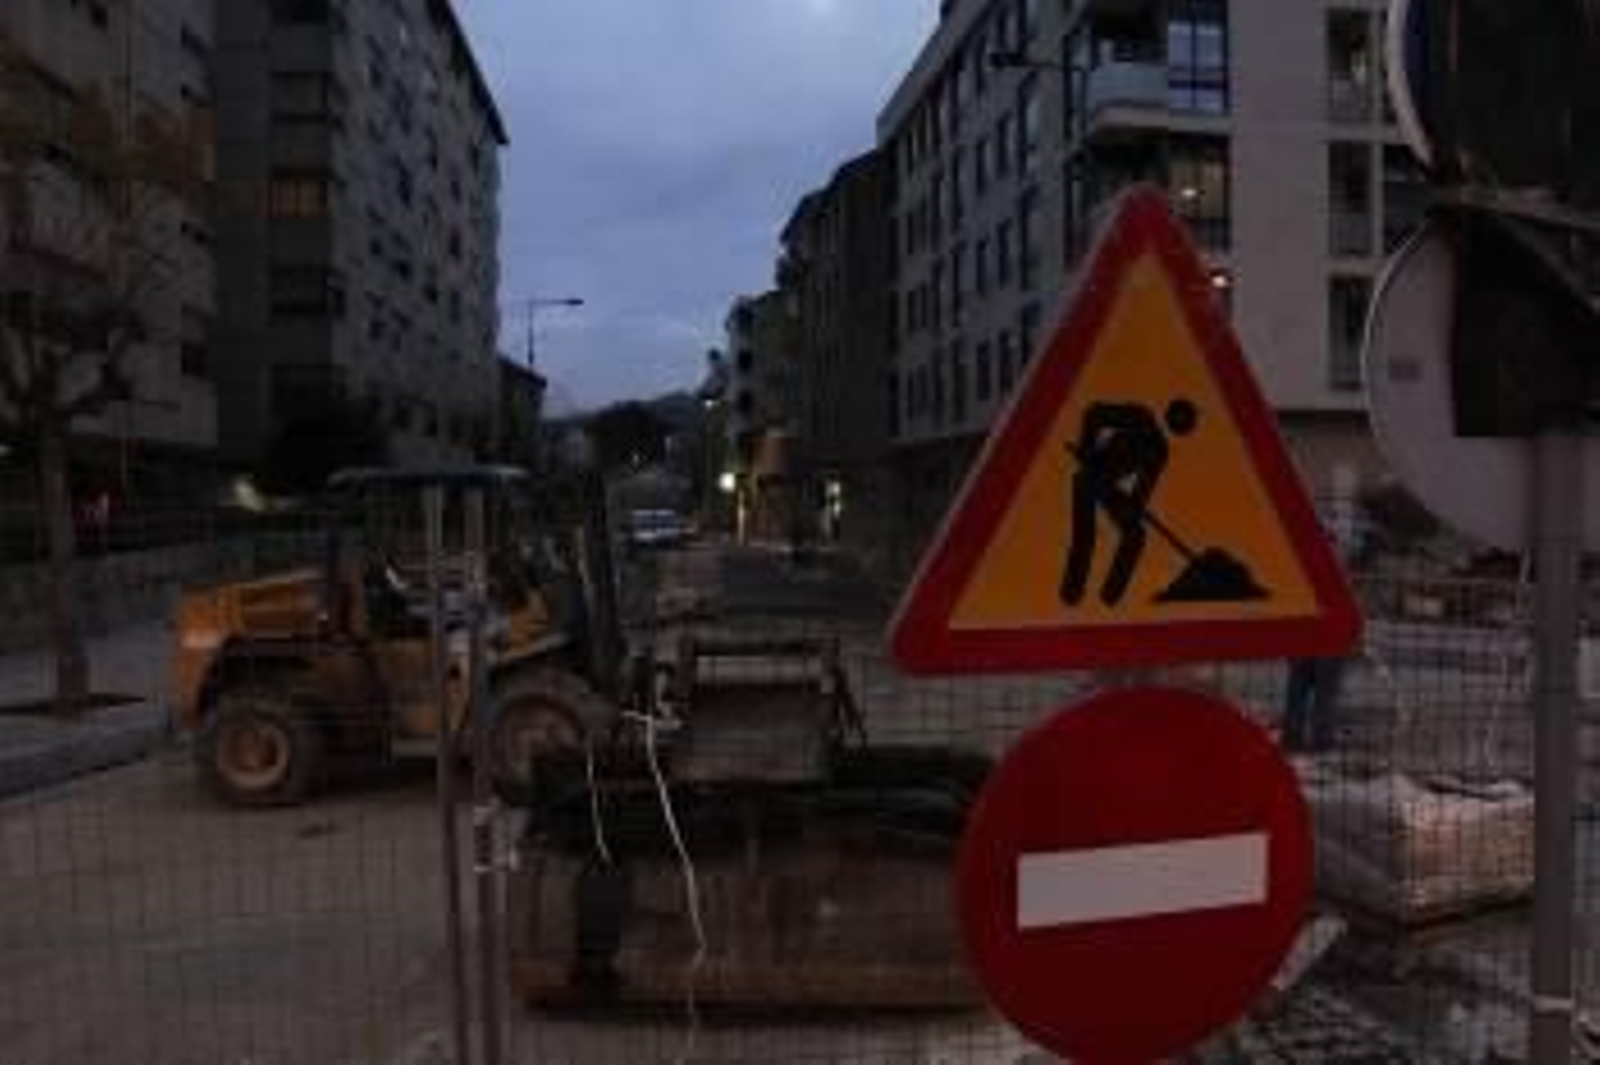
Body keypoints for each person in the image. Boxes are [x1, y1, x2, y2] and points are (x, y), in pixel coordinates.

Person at [1060, 399, 1198, 607]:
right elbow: (1094, 413)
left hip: (1112, 488)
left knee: (1135, 535)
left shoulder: (1161, 451)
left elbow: (1143, 490)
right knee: (1085, 534)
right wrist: (1087, 448)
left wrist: (1135, 506)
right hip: (1089, 477)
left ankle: (1110, 597)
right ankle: (1071, 593)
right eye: (1179, 420)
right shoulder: (1140, 416)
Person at [1282, 506, 1373, 755]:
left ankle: (1292, 740)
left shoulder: (1299, 566)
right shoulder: (1337, 571)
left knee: (1298, 692)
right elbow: (1351, 607)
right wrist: (1356, 639)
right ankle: (1321, 744)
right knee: (1324, 694)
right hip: (1328, 640)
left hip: (1303, 637)